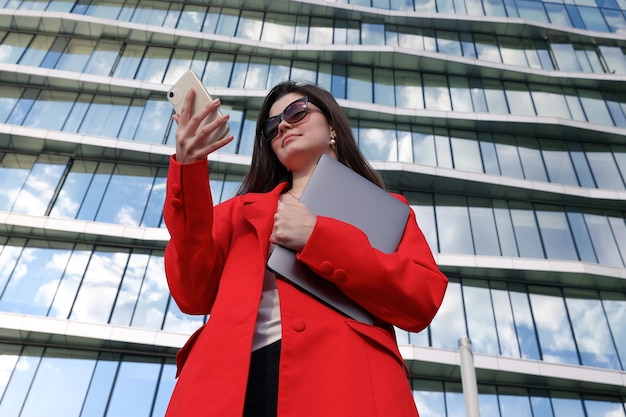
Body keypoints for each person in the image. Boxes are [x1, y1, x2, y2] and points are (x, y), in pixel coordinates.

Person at [163, 80, 448, 417]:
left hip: (346, 385)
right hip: (225, 389)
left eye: (296, 113)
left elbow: (421, 299)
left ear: (332, 127)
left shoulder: (387, 210)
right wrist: (188, 169)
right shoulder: (236, 213)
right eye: (271, 126)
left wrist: (318, 238)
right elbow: (191, 294)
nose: (282, 124)